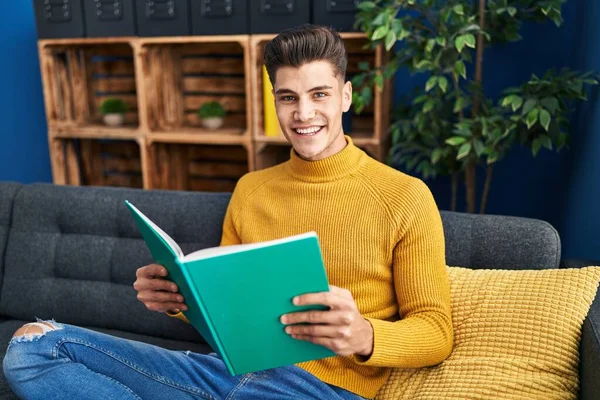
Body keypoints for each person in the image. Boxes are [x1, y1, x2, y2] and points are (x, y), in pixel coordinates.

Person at [3, 24, 453, 399]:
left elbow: (435, 331)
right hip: (223, 374)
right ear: (274, 101)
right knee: (31, 347)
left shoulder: (404, 196)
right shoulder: (251, 189)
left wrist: (366, 337)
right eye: (288, 98)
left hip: (321, 390)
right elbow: (229, 315)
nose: (304, 113)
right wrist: (181, 301)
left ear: (347, 96)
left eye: (320, 94)